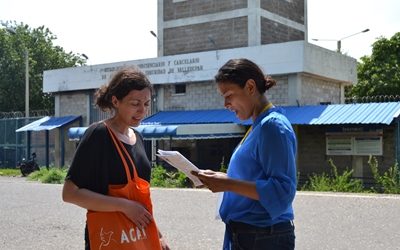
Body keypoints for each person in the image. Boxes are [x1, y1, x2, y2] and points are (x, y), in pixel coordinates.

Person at [193, 58, 297, 250]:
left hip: (264, 237)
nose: (225, 104)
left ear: (250, 87)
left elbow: (283, 191)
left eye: (229, 95)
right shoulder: (258, 125)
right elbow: (254, 177)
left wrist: (227, 183)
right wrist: (222, 179)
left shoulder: (272, 127)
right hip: (250, 235)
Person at [62, 67, 169, 250]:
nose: (142, 110)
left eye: (146, 103)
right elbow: (70, 193)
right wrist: (124, 206)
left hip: (138, 236)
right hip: (110, 236)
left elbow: (140, 199)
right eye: (135, 103)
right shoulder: (98, 134)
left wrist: (158, 235)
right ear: (115, 101)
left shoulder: (138, 138)